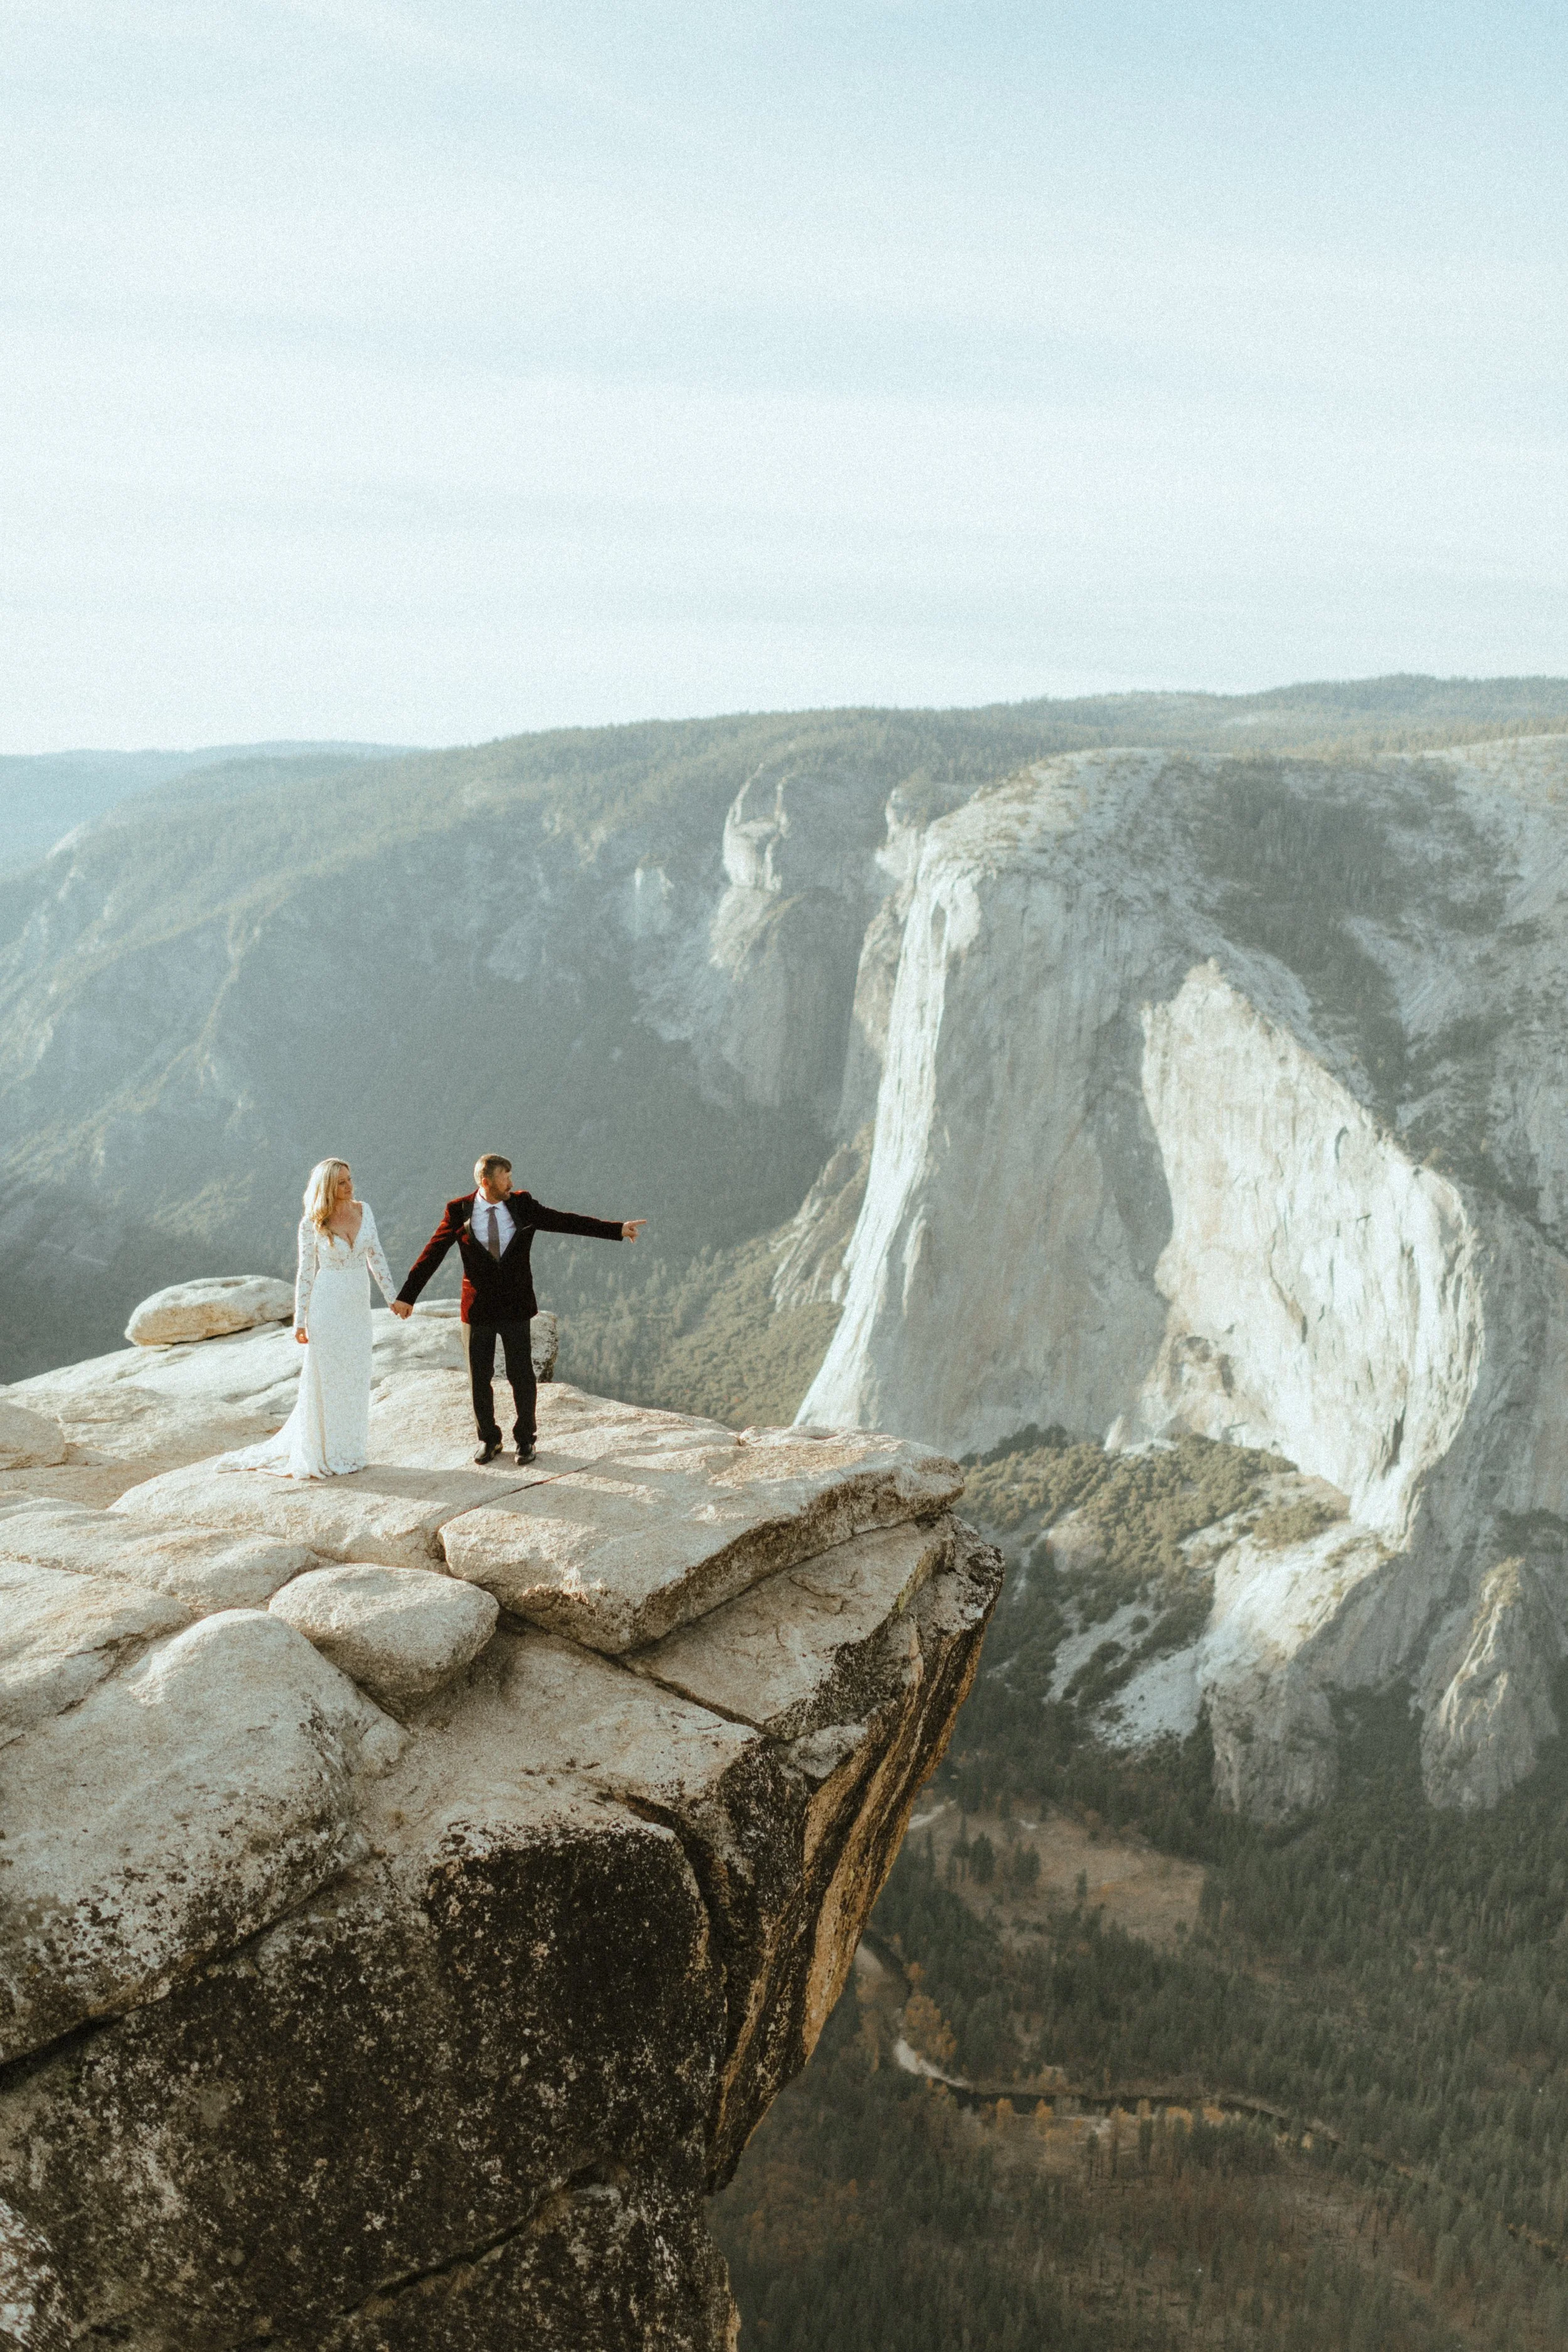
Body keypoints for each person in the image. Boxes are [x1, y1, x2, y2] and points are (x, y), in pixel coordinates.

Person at [391, 1154, 645, 1463]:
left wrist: (616, 1229)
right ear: (486, 1182)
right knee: (479, 1378)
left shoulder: (522, 1204)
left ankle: (526, 1440)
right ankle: (489, 1439)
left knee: (521, 1375)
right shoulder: (459, 1210)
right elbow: (433, 1253)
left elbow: (565, 1221)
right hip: (478, 1309)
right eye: (505, 1177)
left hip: (515, 1305)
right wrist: (408, 1295)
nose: (511, 1182)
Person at [218, 1158, 401, 1480]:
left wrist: (393, 1299)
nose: (349, 1186)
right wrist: (300, 1321)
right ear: (328, 1187)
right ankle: (324, 1451)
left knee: (356, 1374)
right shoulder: (312, 1223)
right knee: (327, 1377)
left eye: (350, 1179)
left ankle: (350, 1450)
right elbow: (306, 1273)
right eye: (342, 1182)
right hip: (327, 1304)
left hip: (357, 1303)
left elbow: (377, 1257)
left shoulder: (364, 1210)